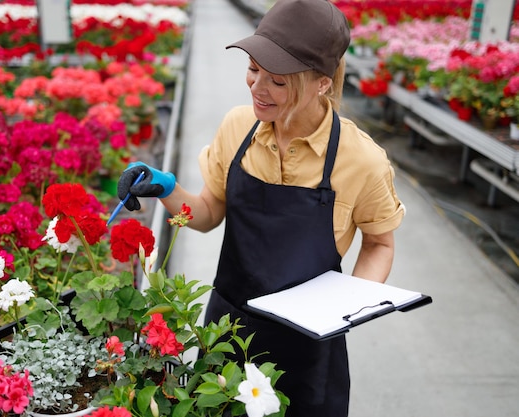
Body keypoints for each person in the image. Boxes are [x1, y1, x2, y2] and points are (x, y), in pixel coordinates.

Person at [117, 0, 405, 415]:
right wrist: (165, 187)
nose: (256, 87)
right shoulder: (238, 127)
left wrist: (350, 308)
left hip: (310, 348)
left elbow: (380, 244)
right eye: (253, 70)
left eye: (277, 81)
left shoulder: (361, 160)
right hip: (227, 334)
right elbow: (208, 212)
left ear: (322, 83)